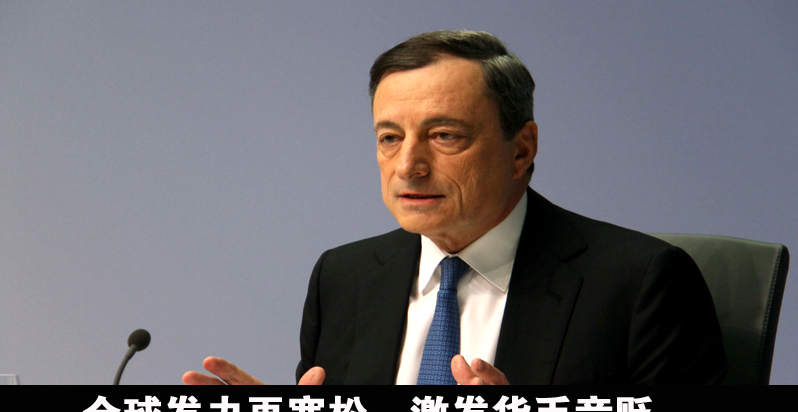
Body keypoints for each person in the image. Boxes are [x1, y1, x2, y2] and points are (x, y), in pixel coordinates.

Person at [183, 30, 727, 386]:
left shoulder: (640, 283)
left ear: (522, 149)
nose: (408, 166)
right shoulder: (343, 278)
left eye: (444, 136)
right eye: (390, 138)